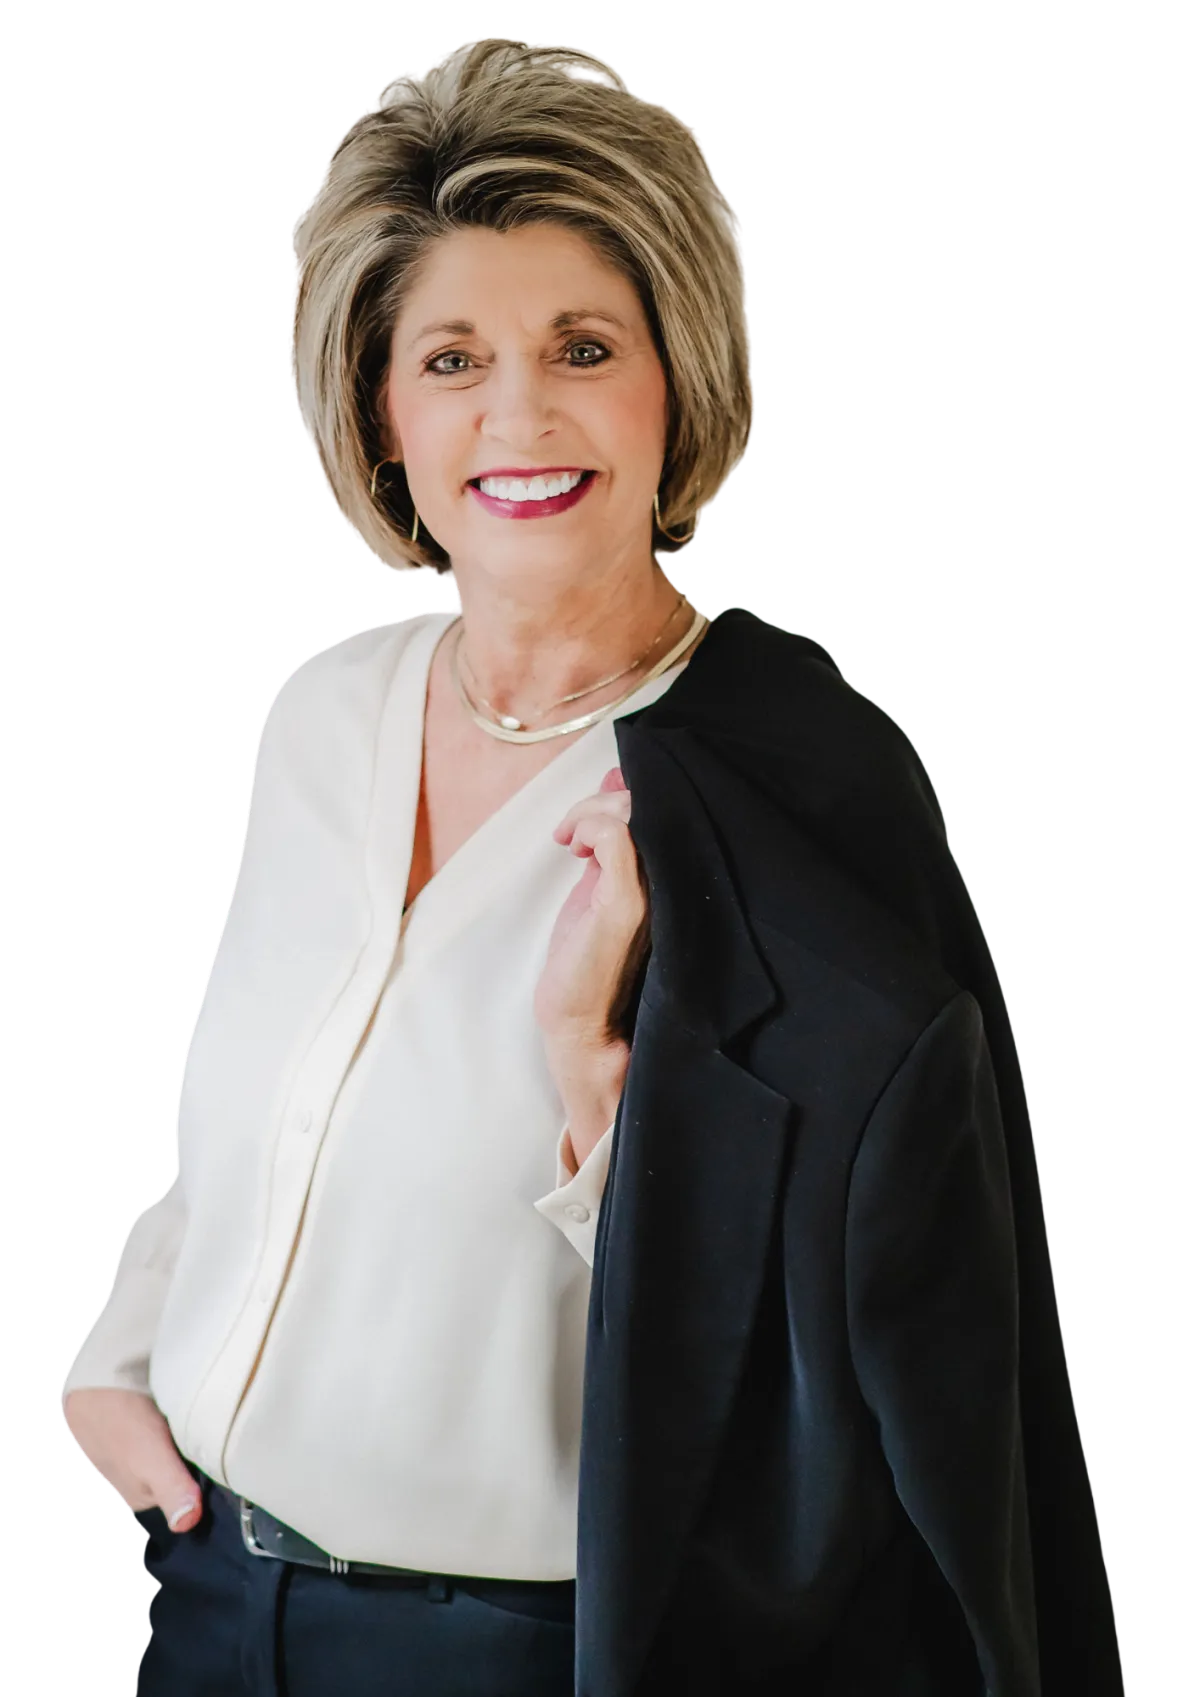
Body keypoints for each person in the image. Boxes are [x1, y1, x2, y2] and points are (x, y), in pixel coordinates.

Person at [58, 39, 751, 1697]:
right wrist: (122, 1353)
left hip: (508, 1639)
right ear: (381, 408)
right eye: (451, 359)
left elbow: (781, 1329)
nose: (519, 415)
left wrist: (588, 1067)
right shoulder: (326, 708)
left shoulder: (751, 789)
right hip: (204, 1575)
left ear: (679, 377)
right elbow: (279, 1116)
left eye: (584, 347)